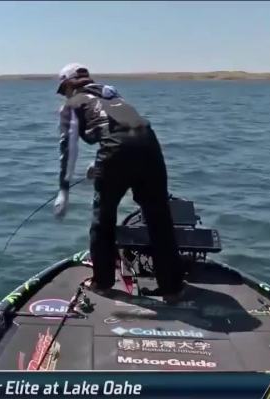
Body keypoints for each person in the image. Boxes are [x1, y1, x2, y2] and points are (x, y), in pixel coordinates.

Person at [52, 63, 184, 302]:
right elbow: (121, 130)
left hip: (116, 153)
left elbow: (68, 148)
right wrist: (98, 164)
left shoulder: (71, 105)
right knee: (159, 219)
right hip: (150, 148)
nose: (65, 95)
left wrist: (64, 188)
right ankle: (172, 288)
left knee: (103, 220)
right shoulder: (112, 95)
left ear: (69, 85)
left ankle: (102, 283)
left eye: (64, 90)